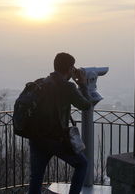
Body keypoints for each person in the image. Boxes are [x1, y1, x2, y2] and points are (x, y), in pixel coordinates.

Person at [28, 52, 93, 194]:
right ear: (69, 69)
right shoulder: (68, 87)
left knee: (36, 177)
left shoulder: (41, 82)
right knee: (82, 164)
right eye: (72, 68)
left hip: (37, 137)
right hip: (57, 139)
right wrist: (82, 84)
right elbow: (86, 105)